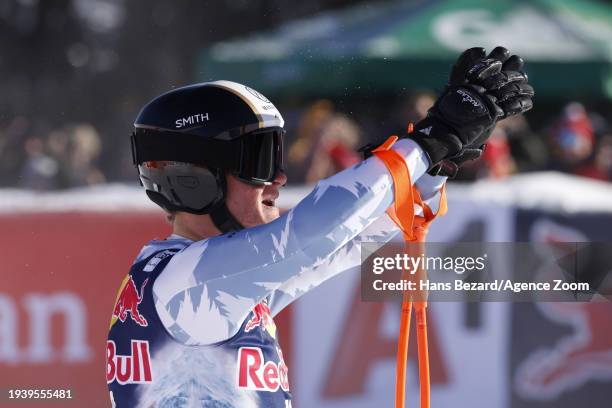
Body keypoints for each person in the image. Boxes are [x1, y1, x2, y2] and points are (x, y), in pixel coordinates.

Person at [106, 47, 533, 407]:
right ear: (192, 177)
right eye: (258, 162)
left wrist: (435, 166)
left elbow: (347, 240)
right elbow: (312, 234)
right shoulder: (189, 287)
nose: (278, 179)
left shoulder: (207, 286)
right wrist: (429, 140)